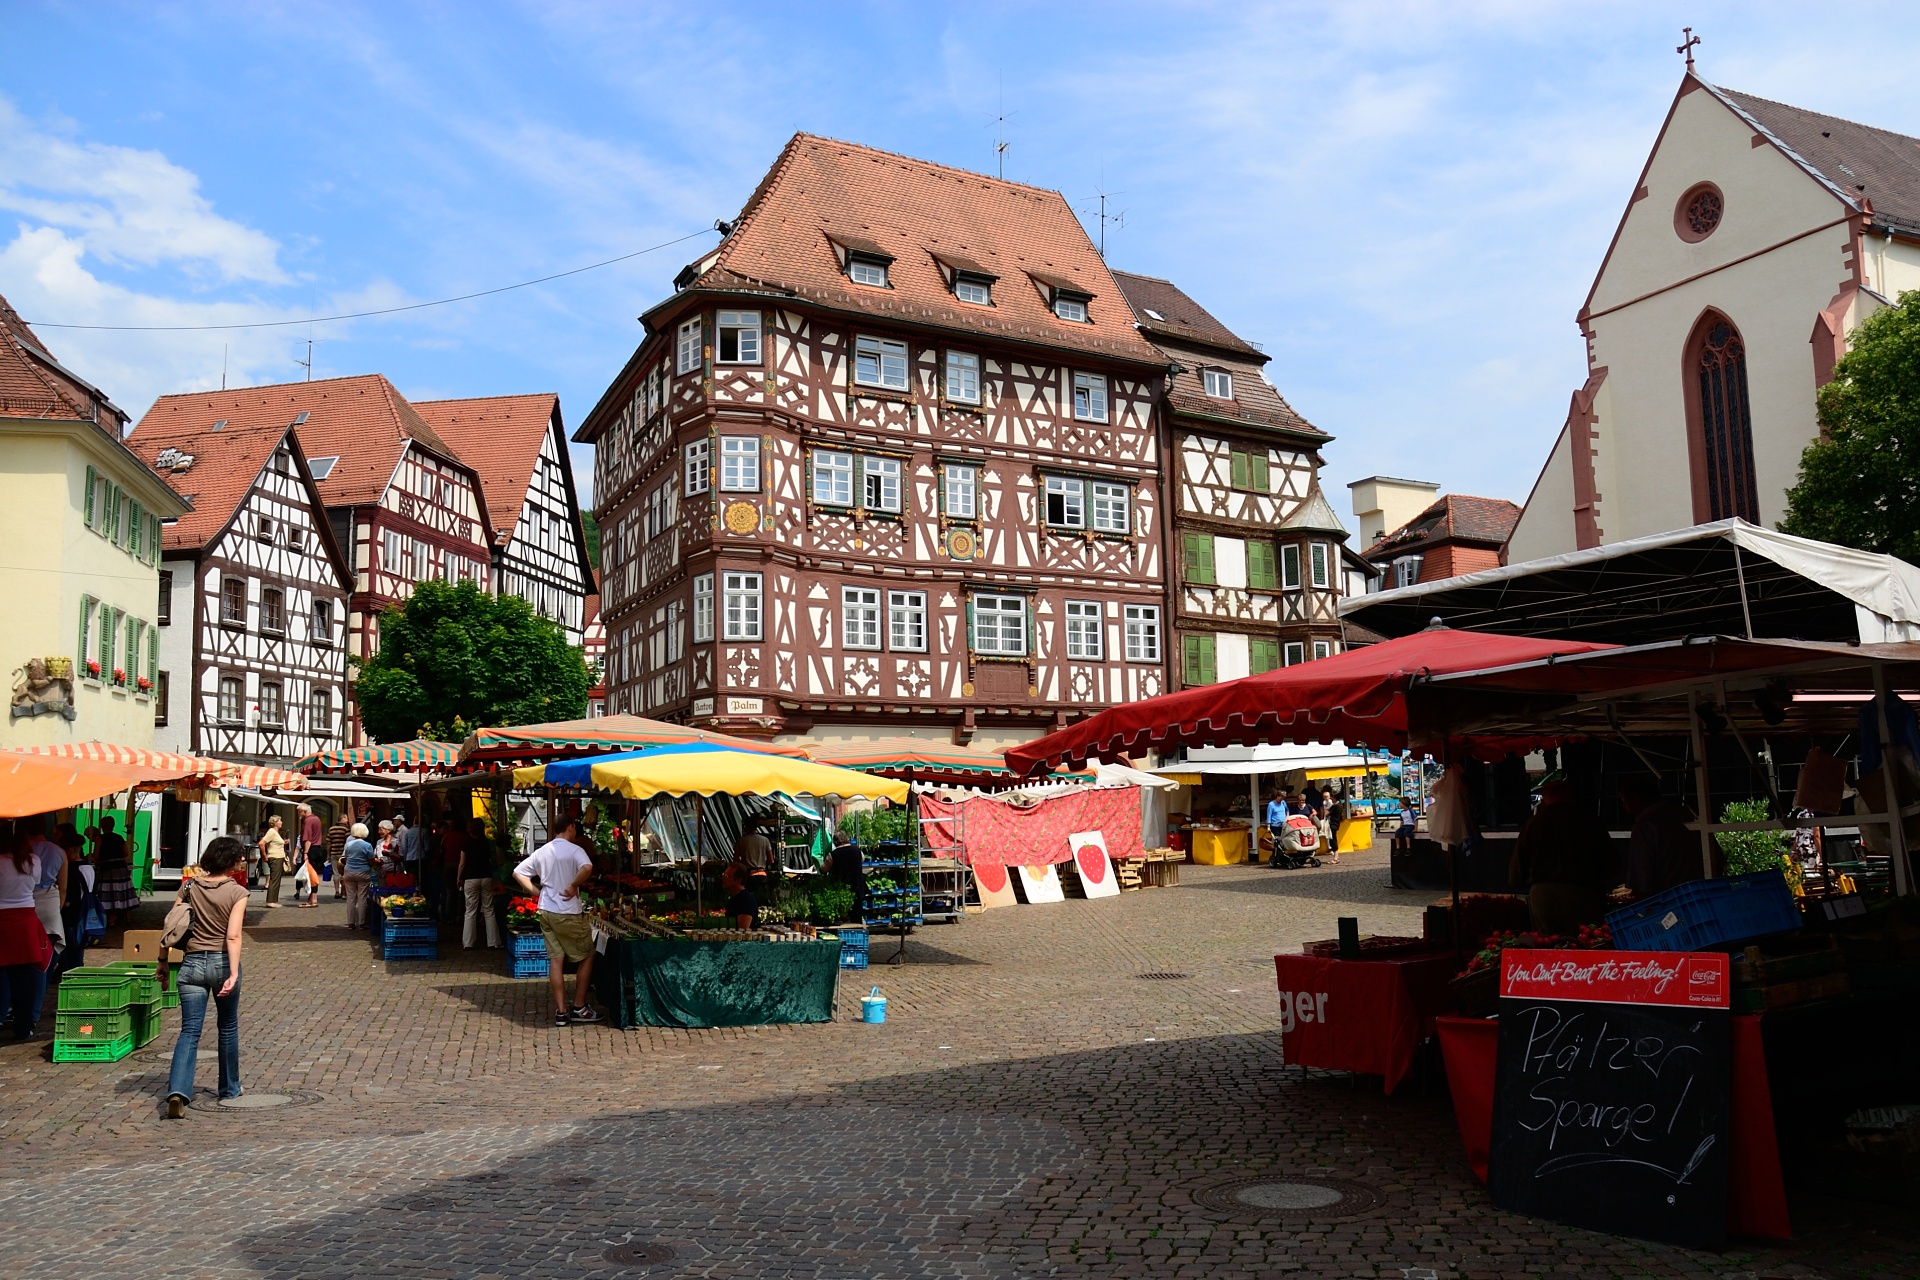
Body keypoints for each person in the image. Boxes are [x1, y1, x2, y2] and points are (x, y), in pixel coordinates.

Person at [161, 835, 249, 1117]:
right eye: (240, 857)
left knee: (189, 1031)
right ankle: (230, 1088)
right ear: (232, 862)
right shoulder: (237, 892)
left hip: (192, 964)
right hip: (222, 961)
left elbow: (171, 925)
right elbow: (233, 935)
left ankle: (178, 1091)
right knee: (227, 1026)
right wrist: (233, 972)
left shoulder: (189, 887)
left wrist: (162, 961)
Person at [513, 816, 599, 1026]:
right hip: (567, 911)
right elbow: (587, 868)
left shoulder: (543, 850)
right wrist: (573, 885)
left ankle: (561, 1011)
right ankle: (579, 1006)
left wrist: (537, 892)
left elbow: (518, 872)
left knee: (556, 960)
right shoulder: (575, 850)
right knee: (587, 955)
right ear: (570, 827)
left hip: (547, 911)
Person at [1509, 781, 1614, 933]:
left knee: (1547, 945)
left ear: (1544, 799)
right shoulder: (1589, 821)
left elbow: (1517, 870)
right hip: (1583, 893)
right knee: (1585, 942)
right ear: (1571, 797)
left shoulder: (1532, 824)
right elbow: (1611, 863)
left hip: (1542, 895)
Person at [0, 822, 56, 1040]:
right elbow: (36, 884)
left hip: (3, 919)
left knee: (3, 975)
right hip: (25, 920)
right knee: (25, 977)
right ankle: (24, 1025)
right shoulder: (33, 861)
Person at [1619, 775, 1715, 897]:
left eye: (1625, 802)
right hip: (1702, 894)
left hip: (1668, 903)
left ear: (1637, 801)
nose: (1625, 808)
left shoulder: (1645, 826)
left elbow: (1642, 882)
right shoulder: (1688, 815)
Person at [459, 818, 501, 950]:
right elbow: (495, 861)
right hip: (486, 877)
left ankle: (468, 943)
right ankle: (493, 942)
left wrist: (459, 877)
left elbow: (462, 863)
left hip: (470, 878)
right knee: (489, 909)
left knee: (470, 911)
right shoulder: (488, 843)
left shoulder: (466, 843)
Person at [56, 824, 93, 973]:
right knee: (79, 945)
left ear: (69, 850)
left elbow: (69, 895)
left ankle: (71, 972)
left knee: (70, 947)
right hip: (86, 911)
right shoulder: (88, 867)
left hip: (72, 913)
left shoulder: (71, 870)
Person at [93, 816, 137, 926]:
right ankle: (127, 916)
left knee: (110, 893)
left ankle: (112, 917)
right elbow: (126, 853)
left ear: (102, 826)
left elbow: (96, 855)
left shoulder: (99, 838)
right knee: (123, 891)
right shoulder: (119, 837)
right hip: (121, 868)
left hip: (107, 868)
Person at [342, 823, 378, 929]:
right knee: (362, 897)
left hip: (349, 871)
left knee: (350, 898)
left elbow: (345, 858)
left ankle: (351, 923)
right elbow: (371, 861)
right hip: (363, 872)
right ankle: (362, 923)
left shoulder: (348, 844)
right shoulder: (367, 845)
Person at [733, 815, 776, 890]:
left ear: (746, 826)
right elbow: (771, 860)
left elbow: (736, 861)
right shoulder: (765, 840)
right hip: (762, 874)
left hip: (748, 875)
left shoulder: (741, 841)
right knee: (761, 898)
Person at [258, 814, 290, 908]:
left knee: (276, 879)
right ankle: (270, 901)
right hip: (275, 857)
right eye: (280, 821)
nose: (281, 822)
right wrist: (264, 856)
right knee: (274, 879)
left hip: (279, 857)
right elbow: (261, 843)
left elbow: (275, 843)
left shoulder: (275, 832)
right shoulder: (271, 831)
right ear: (275, 822)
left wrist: (284, 843)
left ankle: (273, 900)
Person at [297, 804, 326, 907]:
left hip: (311, 849)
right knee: (313, 873)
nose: (299, 814)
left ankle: (313, 899)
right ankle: (311, 898)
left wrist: (305, 852)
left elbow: (308, 838)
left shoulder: (308, 820)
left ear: (305, 811)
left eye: (300, 812)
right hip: (317, 848)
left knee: (310, 874)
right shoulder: (316, 818)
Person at [722, 864, 759, 929]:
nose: (724, 878)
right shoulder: (733, 898)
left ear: (738, 880)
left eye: (727, 876)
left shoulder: (746, 900)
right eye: (724, 875)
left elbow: (743, 930)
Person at [326, 810, 351, 900]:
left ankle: (336, 891)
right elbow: (348, 843)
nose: (347, 820)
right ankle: (343, 893)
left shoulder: (331, 829)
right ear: (342, 819)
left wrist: (328, 854)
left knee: (335, 873)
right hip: (343, 854)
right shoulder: (346, 830)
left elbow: (328, 843)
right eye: (346, 818)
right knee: (344, 874)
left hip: (333, 853)